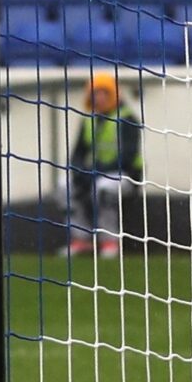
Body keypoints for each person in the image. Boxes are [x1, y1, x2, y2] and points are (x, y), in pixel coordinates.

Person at [66, 71, 142, 257]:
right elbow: (78, 152)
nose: (98, 98)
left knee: (103, 189)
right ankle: (81, 238)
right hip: (95, 173)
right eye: (94, 93)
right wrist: (79, 172)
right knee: (65, 189)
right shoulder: (88, 120)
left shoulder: (127, 118)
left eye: (102, 93)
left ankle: (109, 240)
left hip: (125, 175)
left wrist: (96, 172)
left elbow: (128, 156)